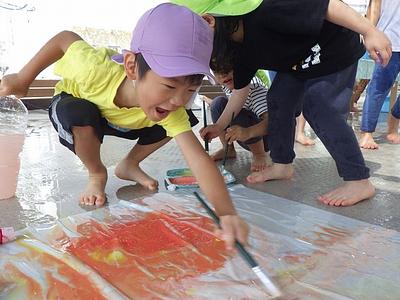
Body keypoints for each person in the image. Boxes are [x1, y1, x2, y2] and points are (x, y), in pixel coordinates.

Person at [0, 3, 249, 249]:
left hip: (124, 121)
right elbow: (65, 39)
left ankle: (129, 164)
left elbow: (198, 159)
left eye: (191, 90)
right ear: (131, 66)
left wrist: (226, 213)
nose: (179, 100)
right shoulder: (95, 69)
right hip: (81, 107)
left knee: (179, 120)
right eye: (170, 86)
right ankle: (97, 172)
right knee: (80, 115)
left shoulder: (170, 106)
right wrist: (24, 78)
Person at [173, 0, 392, 206]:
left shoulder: (268, 7)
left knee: (318, 107)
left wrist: (369, 30)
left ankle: (359, 181)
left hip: (334, 48)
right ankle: (282, 165)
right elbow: (240, 91)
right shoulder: (235, 50)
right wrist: (220, 126)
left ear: (208, 20)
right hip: (296, 62)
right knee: (278, 100)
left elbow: (325, 5)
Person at [205, 58, 269, 172]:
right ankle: (228, 149)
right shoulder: (228, 85)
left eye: (227, 68)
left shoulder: (254, 88)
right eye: (217, 71)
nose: (223, 74)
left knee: (240, 112)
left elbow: (273, 122)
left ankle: (259, 154)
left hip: (266, 139)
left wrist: (247, 132)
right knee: (217, 103)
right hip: (243, 136)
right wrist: (216, 127)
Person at [359, 0, 400, 149]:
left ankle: (393, 126)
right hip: (389, 40)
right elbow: (374, 7)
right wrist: (368, 33)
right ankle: (367, 133)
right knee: (379, 88)